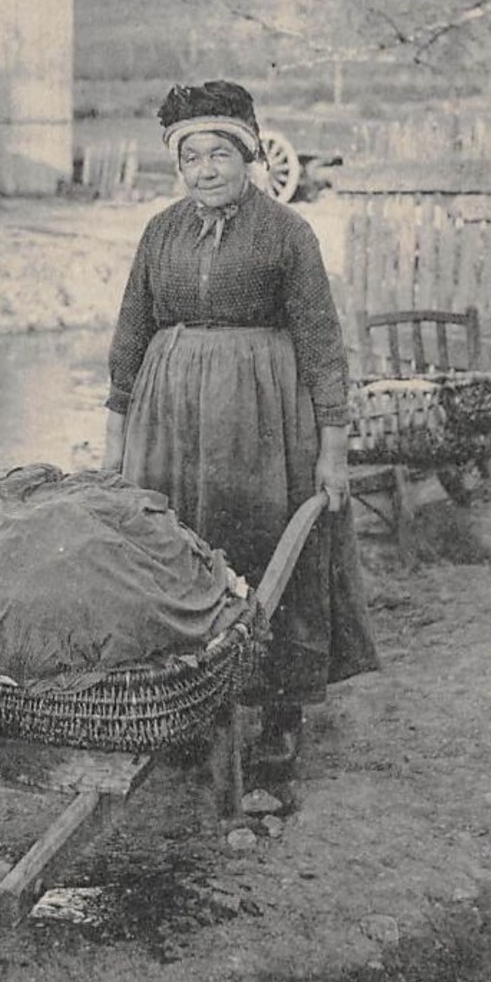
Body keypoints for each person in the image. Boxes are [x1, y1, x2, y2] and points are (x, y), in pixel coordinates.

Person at [103, 79, 377, 776]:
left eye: (220, 153)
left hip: (264, 418)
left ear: (249, 156)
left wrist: (333, 448)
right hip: (170, 421)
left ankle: (281, 711)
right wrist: (117, 436)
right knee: (173, 552)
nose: (205, 169)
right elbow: (131, 331)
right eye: (191, 157)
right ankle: (186, 710)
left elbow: (321, 342)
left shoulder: (288, 233)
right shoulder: (160, 231)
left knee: (266, 550)